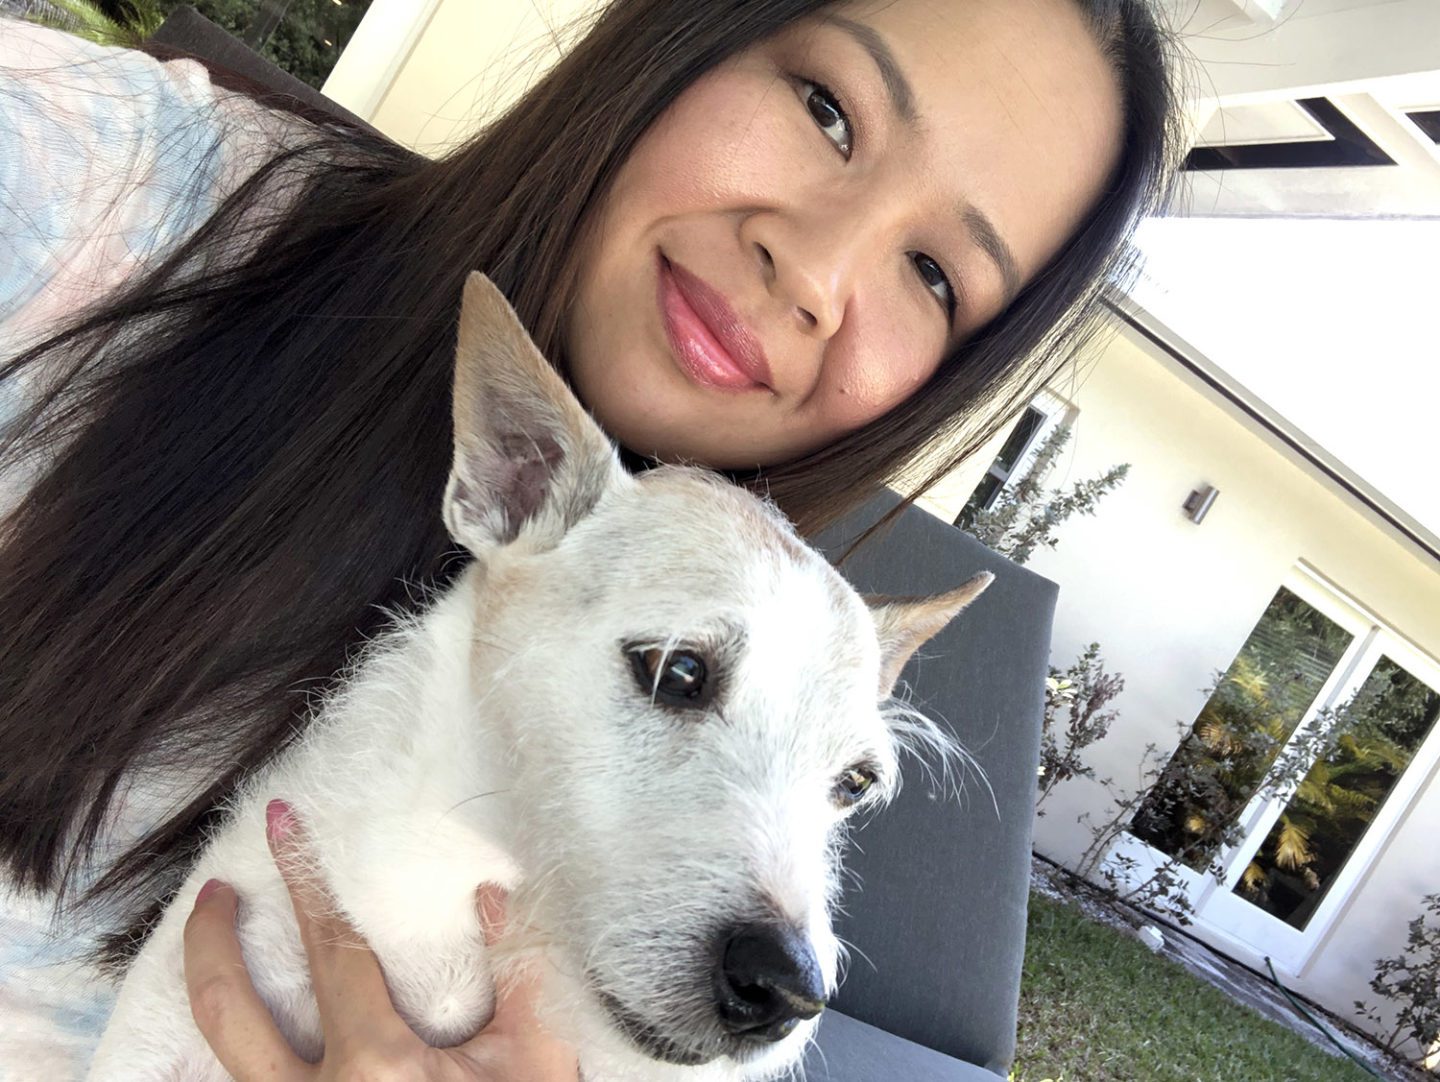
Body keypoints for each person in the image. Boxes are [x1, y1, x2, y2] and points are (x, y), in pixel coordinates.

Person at [0, 0, 1179, 1077]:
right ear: (685, 35)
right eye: (827, 110)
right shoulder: (92, 180)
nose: (814, 271)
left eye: (934, 272)